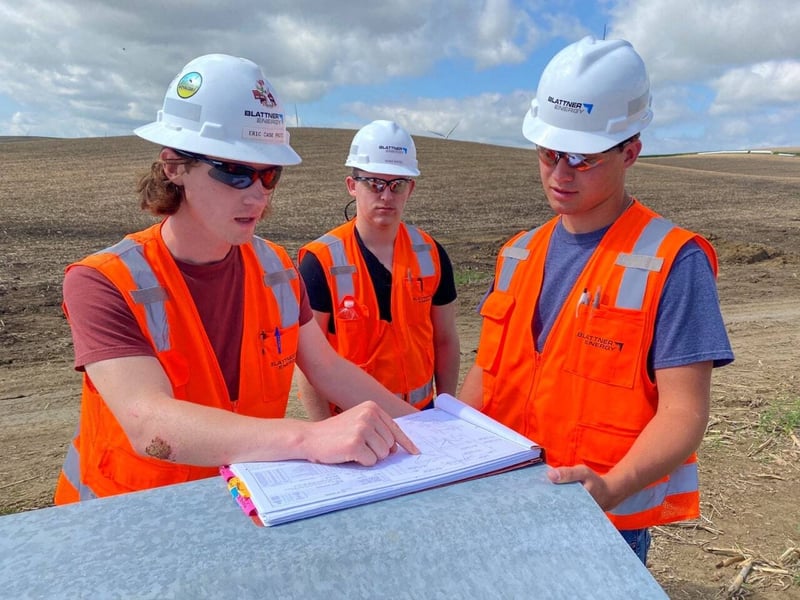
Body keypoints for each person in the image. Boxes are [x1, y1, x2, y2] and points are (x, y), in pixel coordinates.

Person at [54, 54, 419, 505]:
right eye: (235, 172)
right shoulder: (103, 281)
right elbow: (150, 425)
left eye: (269, 175)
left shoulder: (279, 270)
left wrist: (427, 428)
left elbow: (328, 369)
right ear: (174, 166)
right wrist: (309, 438)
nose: (257, 195)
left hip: (239, 512)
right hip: (128, 527)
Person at [459, 36, 734, 564]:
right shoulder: (517, 253)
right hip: (503, 499)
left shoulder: (675, 260)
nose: (560, 174)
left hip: (604, 523)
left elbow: (684, 412)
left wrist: (610, 487)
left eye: (582, 159)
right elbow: (487, 377)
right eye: (548, 153)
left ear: (630, 150)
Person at [296, 120, 460, 420]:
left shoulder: (432, 254)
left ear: (410, 189)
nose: (386, 196)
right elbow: (309, 366)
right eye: (374, 184)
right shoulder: (320, 262)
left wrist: (446, 413)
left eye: (397, 185)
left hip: (422, 418)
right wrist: (325, 433)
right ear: (351, 185)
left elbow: (446, 339)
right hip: (352, 425)